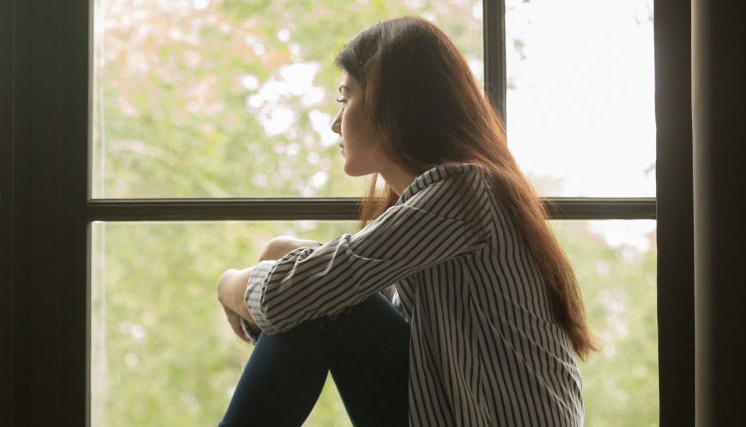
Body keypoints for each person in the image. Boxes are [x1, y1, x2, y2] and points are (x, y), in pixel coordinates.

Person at [214, 16, 598, 427]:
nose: (335, 122)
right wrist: (284, 252)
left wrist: (230, 283)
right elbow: (340, 289)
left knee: (321, 297)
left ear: (389, 101)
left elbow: (298, 295)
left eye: (346, 98)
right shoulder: (439, 207)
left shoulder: (463, 191)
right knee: (320, 293)